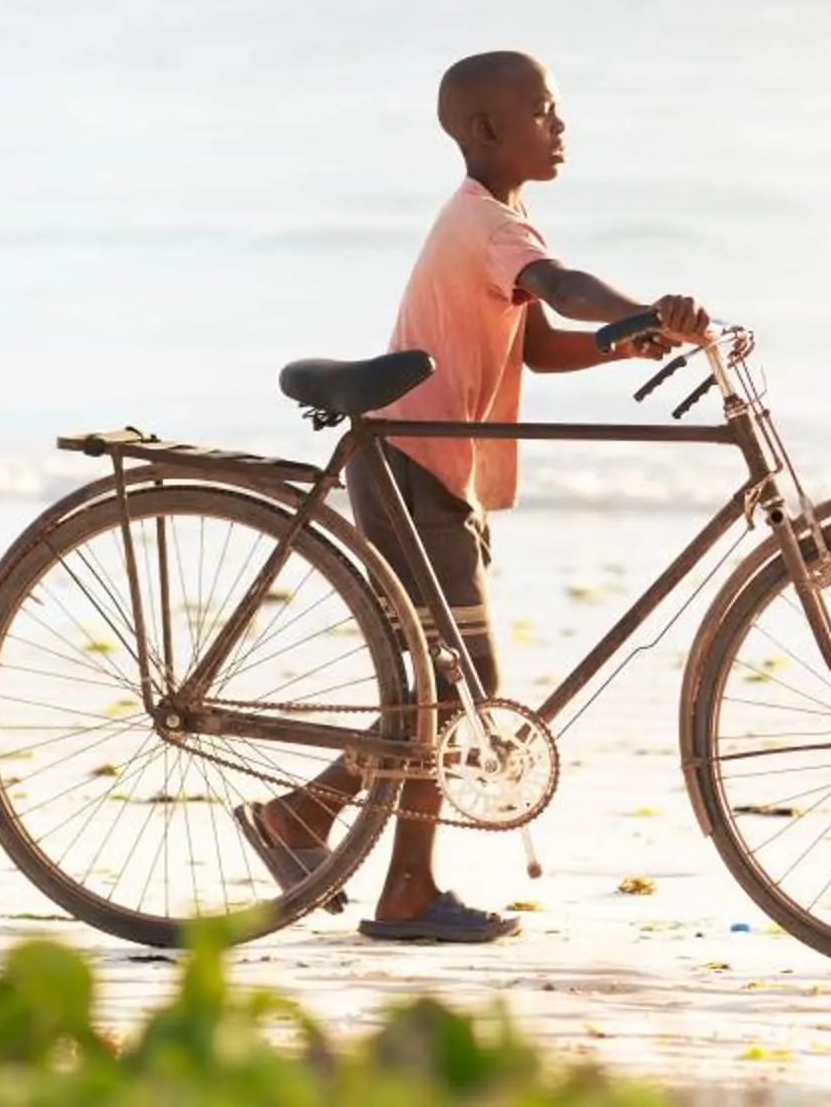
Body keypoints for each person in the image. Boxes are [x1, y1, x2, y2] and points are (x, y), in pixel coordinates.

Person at [236, 49, 707, 943]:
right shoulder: (491, 228)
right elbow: (562, 291)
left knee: (441, 681)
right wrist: (646, 309)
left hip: (429, 471)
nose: (559, 126)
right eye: (543, 112)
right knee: (459, 682)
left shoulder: (500, 220)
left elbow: (536, 343)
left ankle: (305, 818)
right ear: (487, 129)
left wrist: (624, 341)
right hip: (414, 465)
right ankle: (400, 888)